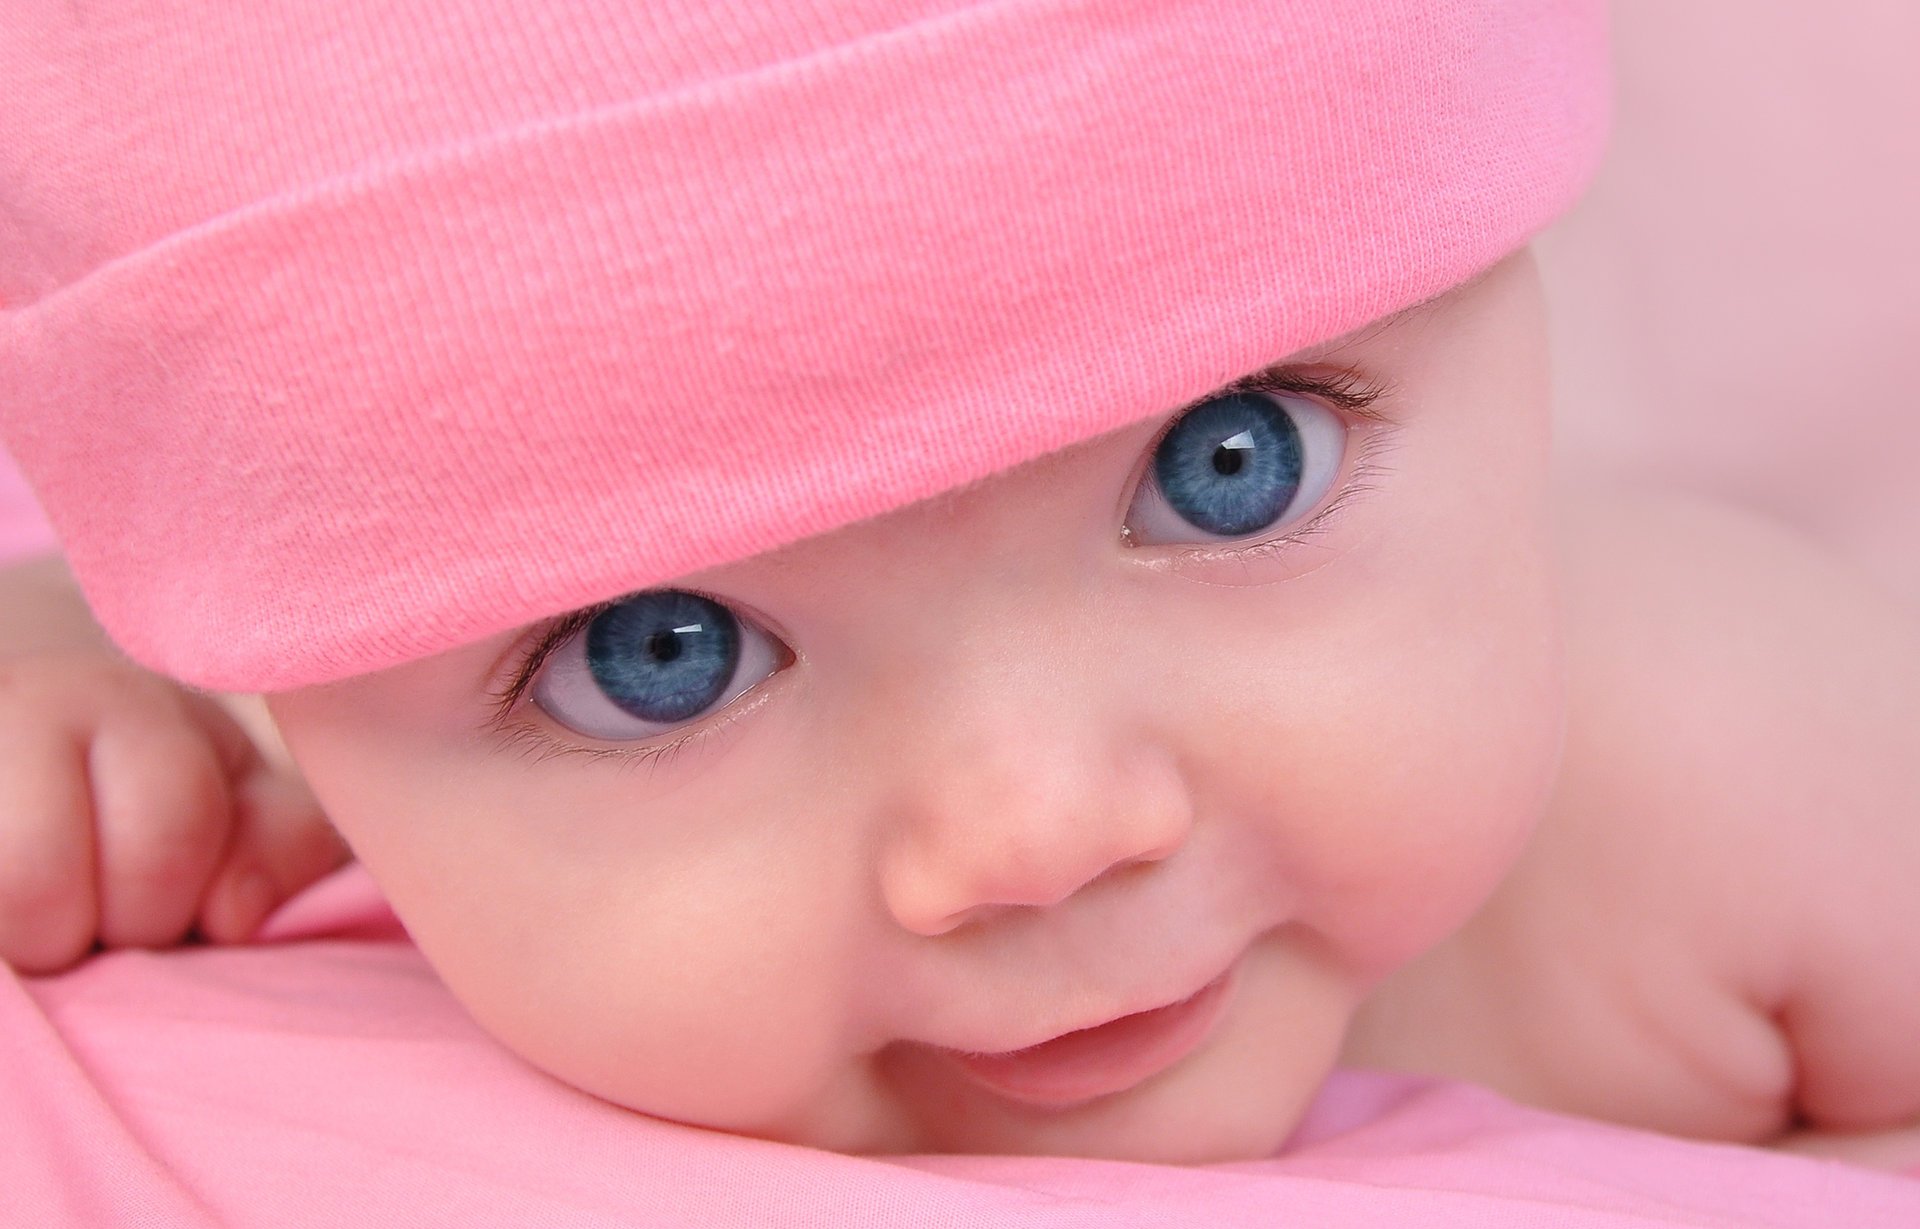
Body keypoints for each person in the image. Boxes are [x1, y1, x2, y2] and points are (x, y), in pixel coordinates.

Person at [3, 0, 1917, 1168]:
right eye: (654, 654)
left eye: (1226, 468)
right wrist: (64, 668)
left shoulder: (1752, 774)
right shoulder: (258, 766)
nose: (1046, 832)